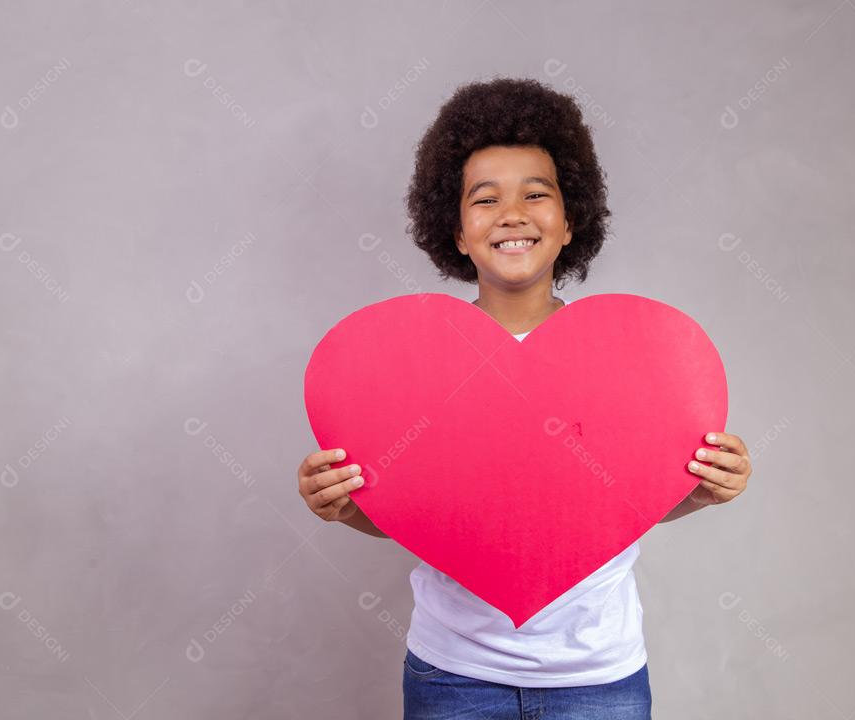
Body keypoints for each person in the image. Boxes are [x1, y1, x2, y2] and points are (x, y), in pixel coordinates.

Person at [298, 76, 753, 719]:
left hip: (600, 678)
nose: (512, 213)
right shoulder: (418, 367)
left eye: (536, 194)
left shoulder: (627, 360)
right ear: (457, 232)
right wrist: (345, 506)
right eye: (485, 199)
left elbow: (619, 501)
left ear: (570, 222)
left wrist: (698, 492)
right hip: (453, 675)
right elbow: (413, 510)